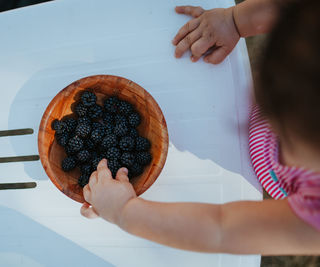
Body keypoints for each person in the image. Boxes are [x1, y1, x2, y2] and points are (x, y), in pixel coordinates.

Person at [80, 0, 320, 254]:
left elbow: (222, 229)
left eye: (285, 134)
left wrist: (124, 212)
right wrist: (235, 21)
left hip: (264, 178)